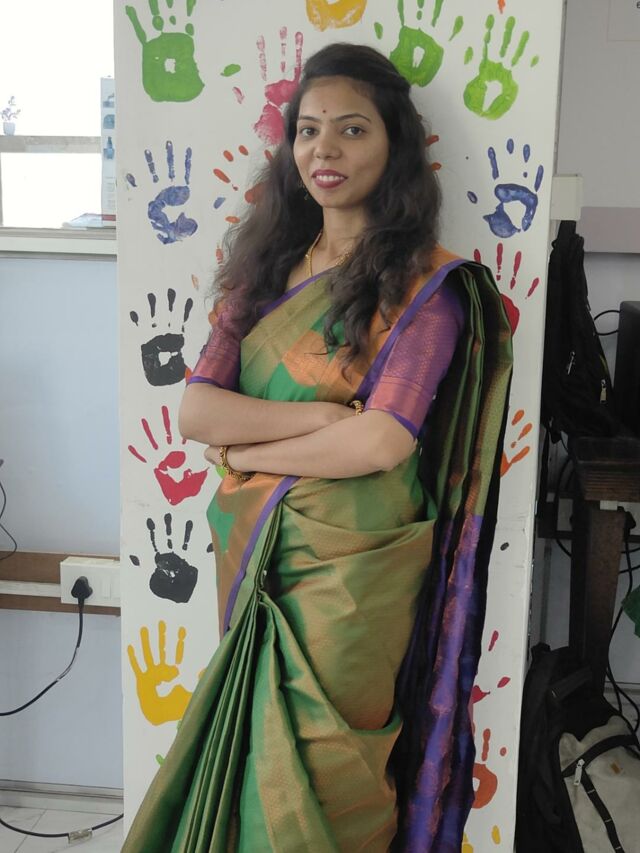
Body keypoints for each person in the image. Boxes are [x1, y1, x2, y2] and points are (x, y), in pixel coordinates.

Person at [122, 43, 513, 853]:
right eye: (307, 129)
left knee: (333, 767)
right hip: (255, 550)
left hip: (357, 570)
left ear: (395, 146)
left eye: (352, 129)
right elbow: (197, 410)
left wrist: (248, 454)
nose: (323, 149)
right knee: (254, 760)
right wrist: (316, 421)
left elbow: (381, 441)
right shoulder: (262, 275)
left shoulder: (428, 290)